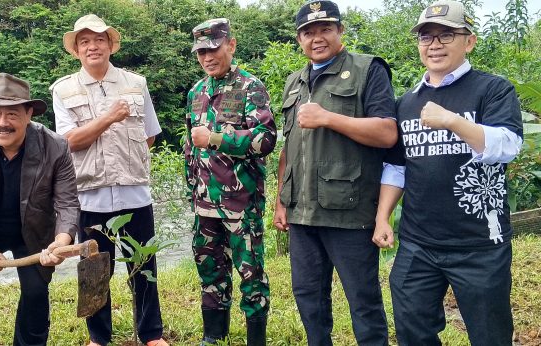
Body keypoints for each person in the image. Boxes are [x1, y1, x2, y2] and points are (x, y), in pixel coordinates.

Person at [372, 1, 523, 345]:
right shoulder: (407, 102)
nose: (435, 45)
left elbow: (508, 145)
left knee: (490, 335)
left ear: (468, 41)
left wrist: (453, 121)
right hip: (418, 242)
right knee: (413, 329)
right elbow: (397, 167)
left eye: (446, 35)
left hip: (479, 244)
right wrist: (383, 217)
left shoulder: (493, 89)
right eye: (426, 37)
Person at [272, 1, 398, 345]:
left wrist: (329, 118)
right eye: (308, 32)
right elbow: (290, 148)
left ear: (340, 31)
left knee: (363, 301)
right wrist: (281, 202)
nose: (317, 38)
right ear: (299, 39)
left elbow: (387, 133)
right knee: (309, 300)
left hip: (349, 212)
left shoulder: (368, 69)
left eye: (325, 29)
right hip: (301, 214)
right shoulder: (294, 82)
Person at [49, 14, 168, 346]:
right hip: (90, 196)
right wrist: (110, 118)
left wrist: (126, 165)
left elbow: (149, 137)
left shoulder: (136, 83)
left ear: (110, 44)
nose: (92, 46)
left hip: (135, 195)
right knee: (93, 271)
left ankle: (151, 334)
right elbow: (69, 141)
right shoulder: (63, 89)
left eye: (98, 39)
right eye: (84, 41)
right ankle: (98, 338)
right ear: (76, 50)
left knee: (144, 265)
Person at [0, 73, 80, 345]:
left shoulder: (55, 146)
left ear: (29, 113)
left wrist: (61, 241)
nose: (2, 123)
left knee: (35, 294)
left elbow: (67, 201)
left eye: (12, 114)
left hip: (32, 231)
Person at [183, 18, 276, 346]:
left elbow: (266, 139)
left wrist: (217, 138)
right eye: (200, 53)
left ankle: (256, 338)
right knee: (209, 268)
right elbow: (189, 145)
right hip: (204, 203)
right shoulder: (196, 92)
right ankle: (214, 334)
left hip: (241, 204)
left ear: (231, 46)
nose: (207, 57)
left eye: (213, 49)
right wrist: (190, 185)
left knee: (250, 274)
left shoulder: (250, 86)